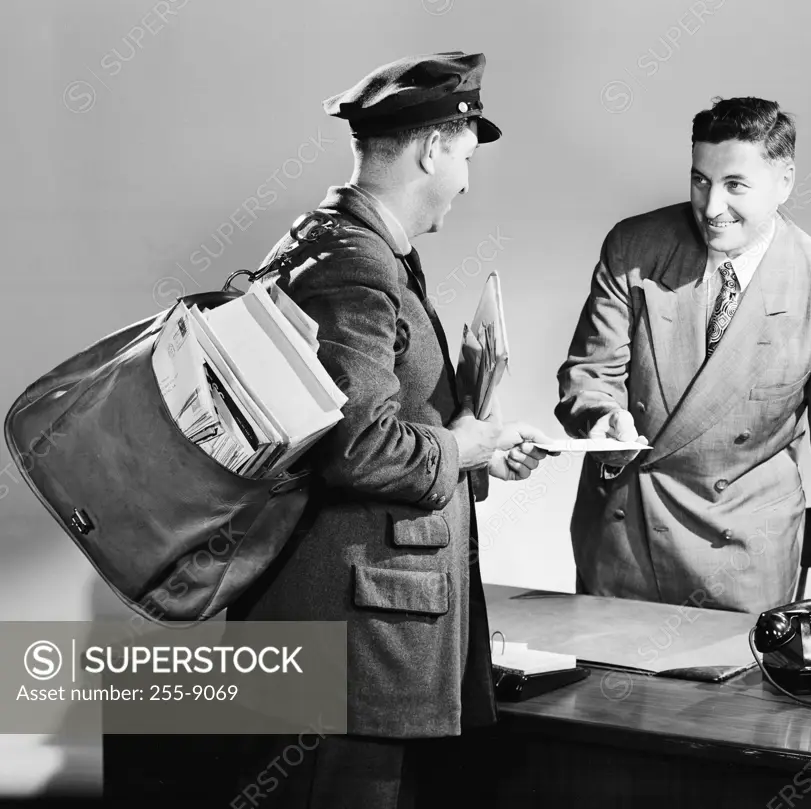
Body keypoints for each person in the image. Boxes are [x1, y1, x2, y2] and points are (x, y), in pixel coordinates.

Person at [225, 51, 555, 807]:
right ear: (434, 148)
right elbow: (359, 447)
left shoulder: (346, 246)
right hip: (349, 641)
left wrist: (476, 441)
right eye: (466, 156)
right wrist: (465, 444)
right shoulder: (356, 265)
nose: (467, 180)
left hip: (351, 634)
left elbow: (371, 422)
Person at [554, 96, 811, 631]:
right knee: (602, 704)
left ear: (784, 181)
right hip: (623, 540)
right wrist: (603, 418)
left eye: (736, 185)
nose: (712, 205)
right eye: (700, 181)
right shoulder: (634, 245)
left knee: (726, 713)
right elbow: (588, 373)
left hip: (740, 559)